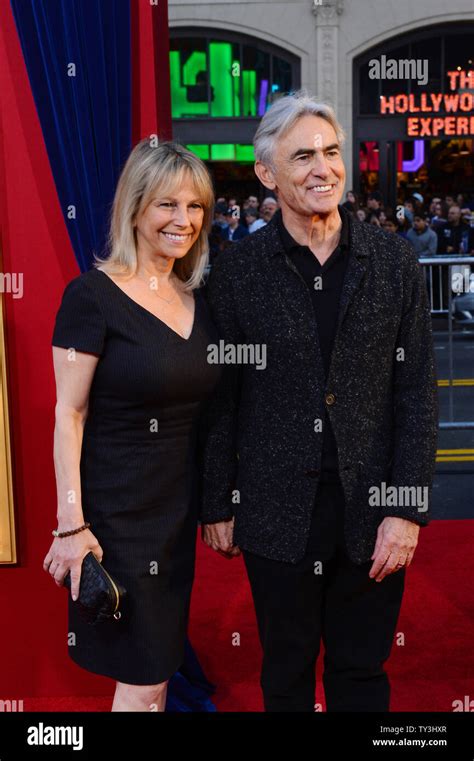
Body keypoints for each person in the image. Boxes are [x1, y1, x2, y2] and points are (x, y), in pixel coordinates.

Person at [200, 91, 438, 712]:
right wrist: (217, 498)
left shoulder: (393, 262)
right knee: (285, 673)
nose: (322, 168)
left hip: (373, 511)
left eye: (331, 152)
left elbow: (415, 394)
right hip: (276, 510)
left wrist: (407, 510)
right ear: (266, 174)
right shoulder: (238, 271)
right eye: (302, 156)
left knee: (362, 674)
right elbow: (223, 397)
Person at [43, 140, 221, 712]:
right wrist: (72, 526)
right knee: (143, 682)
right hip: (116, 522)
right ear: (136, 208)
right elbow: (68, 414)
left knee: (158, 676)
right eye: (168, 205)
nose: (184, 220)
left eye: (196, 207)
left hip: (175, 518)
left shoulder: (197, 297)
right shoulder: (90, 298)